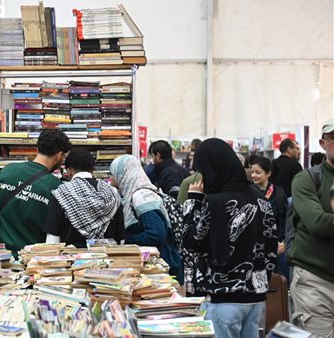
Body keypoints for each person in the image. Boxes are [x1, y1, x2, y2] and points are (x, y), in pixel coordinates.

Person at [182, 138, 278, 338]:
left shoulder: (217, 203)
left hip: (223, 297)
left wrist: (193, 202)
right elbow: (271, 248)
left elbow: (191, 241)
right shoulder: (263, 201)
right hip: (256, 299)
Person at [0, 129, 71, 254]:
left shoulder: (7, 171)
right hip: (31, 259)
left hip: (1, 255)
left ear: (38, 148)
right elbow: (54, 231)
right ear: (59, 155)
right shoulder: (57, 187)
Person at [288, 119, 334, 338]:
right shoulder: (307, 179)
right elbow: (318, 224)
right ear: (323, 143)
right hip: (315, 280)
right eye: (333, 138)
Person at [109, 154, 183, 282]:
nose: (110, 179)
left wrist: (126, 241)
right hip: (154, 263)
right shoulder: (134, 194)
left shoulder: (142, 196)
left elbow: (156, 234)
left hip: (159, 266)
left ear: (122, 173)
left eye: (111, 173)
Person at [44, 149, 125, 248]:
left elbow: (53, 241)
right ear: (92, 170)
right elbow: (121, 239)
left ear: (68, 171)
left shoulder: (61, 194)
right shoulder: (112, 193)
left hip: (72, 260)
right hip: (108, 258)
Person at [250, 156, 288, 280]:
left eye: (258, 172)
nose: (254, 175)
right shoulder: (248, 192)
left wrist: (284, 241)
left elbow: (284, 220)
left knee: (276, 280)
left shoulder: (280, 193)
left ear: (268, 173)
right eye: (252, 172)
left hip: (277, 245)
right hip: (254, 245)